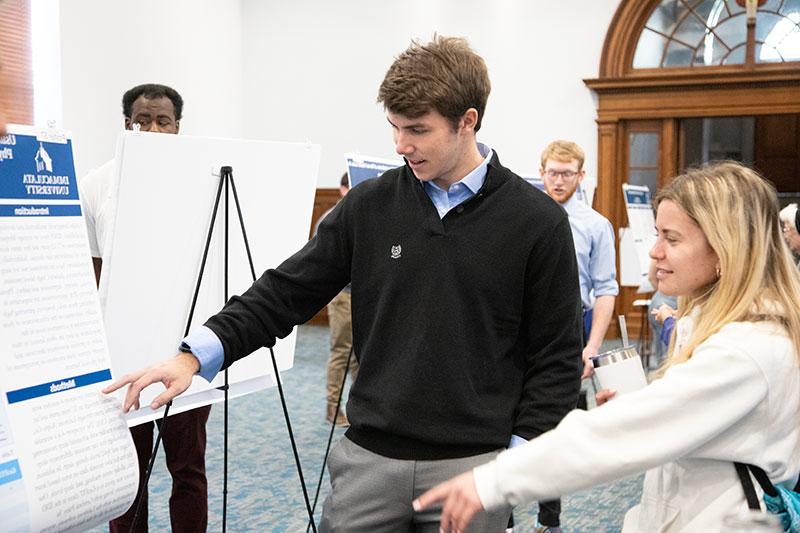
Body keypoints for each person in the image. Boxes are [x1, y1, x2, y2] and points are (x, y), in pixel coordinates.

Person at [104, 36, 583, 531]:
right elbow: (284, 291)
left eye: (417, 130)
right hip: (369, 463)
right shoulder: (370, 206)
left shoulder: (536, 223)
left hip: (475, 467)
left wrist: (516, 466)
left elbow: (556, 358)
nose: (401, 146)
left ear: (468, 120)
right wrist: (196, 354)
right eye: (395, 128)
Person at [416, 161, 800, 532]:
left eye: (672, 238)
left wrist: (493, 480)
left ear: (724, 250)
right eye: (658, 234)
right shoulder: (714, 327)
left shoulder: (747, 348)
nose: (655, 252)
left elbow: (624, 434)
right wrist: (647, 403)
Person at [81, 83, 211, 533]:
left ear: (178, 127)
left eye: (163, 121)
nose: (152, 129)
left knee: (188, 470)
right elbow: (95, 270)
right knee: (125, 475)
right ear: (126, 125)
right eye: (142, 120)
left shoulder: (202, 183)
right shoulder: (99, 184)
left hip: (182, 354)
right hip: (121, 357)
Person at [537, 140, 618, 530]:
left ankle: (549, 519)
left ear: (581, 176)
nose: (558, 180)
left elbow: (606, 290)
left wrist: (592, 347)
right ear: (542, 173)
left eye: (567, 173)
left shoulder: (595, 226)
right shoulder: (526, 217)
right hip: (526, 328)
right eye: (552, 172)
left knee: (555, 429)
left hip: (573, 329)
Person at [315, 173, 358, 426]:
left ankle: (357, 408)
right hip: (342, 295)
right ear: (342, 189)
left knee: (360, 357)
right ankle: (332, 409)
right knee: (341, 352)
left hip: (364, 296)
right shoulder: (331, 217)